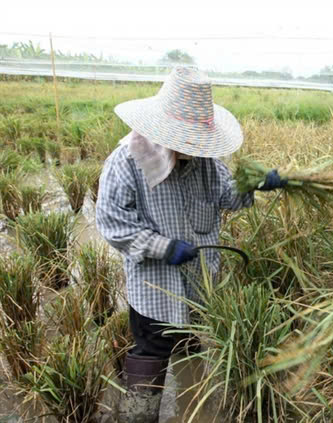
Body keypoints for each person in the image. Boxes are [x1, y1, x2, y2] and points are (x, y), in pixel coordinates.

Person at [96, 67, 287, 423]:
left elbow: (227, 197)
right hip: (155, 291)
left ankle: (191, 413)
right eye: (185, 139)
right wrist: (163, 247)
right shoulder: (126, 162)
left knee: (190, 352)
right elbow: (112, 224)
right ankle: (138, 417)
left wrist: (255, 185)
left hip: (200, 288)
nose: (192, 148)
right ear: (161, 131)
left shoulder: (206, 163)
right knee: (150, 356)